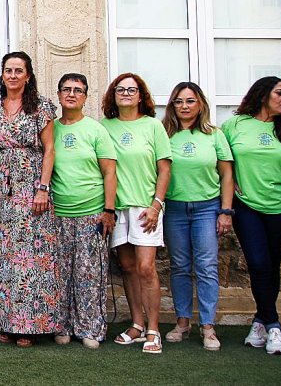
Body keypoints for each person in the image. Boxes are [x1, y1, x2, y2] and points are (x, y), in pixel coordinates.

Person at [0, 51, 58, 347]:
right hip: (4, 190)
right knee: (7, 259)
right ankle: (8, 323)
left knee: (34, 259)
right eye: (8, 70)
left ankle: (33, 325)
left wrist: (43, 188)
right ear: (2, 75)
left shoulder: (41, 107)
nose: (13, 75)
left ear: (28, 76)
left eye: (18, 70)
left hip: (33, 188)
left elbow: (50, 149)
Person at [220, 76, 281, 356]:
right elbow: (220, 159)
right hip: (246, 205)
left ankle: (260, 321)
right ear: (263, 95)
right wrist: (226, 183)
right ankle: (274, 325)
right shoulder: (235, 125)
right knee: (258, 262)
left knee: (271, 265)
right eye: (279, 92)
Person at [161, 82, 234, 351]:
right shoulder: (165, 134)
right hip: (175, 209)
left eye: (190, 101)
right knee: (179, 266)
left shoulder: (214, 135)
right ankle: (182, 323)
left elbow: (227, 174)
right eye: (179, 101)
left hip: (206, 208)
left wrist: (225, 211)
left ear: (200, 104)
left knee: (206, 266)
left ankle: (208, 326)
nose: (184, 106)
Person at [102, 72, 171, 355]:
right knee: (128, 267)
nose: (126, 93)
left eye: (132, 89)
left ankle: (154, 329)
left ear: (141, 95)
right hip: (117, 208)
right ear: (113, 95)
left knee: (146, 268)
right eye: (121, 89)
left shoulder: (153, 126)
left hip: (146, 207)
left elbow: (165, 168)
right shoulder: (104, 127)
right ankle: (137, 324)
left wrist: (156, 205)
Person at [51, 73, 116, 349]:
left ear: (86, 97)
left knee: (90, 273)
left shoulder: (96, 130)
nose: (72, 94)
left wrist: (109, 210)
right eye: (66, 89)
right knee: (61, 272)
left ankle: (90, 328)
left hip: (92, 212)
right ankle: (63, 326)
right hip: (58, 213)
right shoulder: (51, 128)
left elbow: (110, 171)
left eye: (78, 90)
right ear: (58, 95)